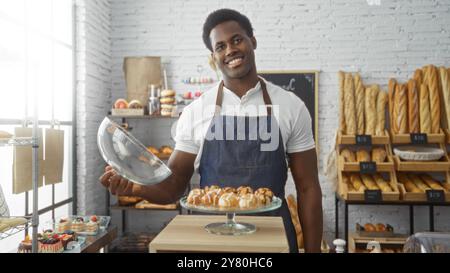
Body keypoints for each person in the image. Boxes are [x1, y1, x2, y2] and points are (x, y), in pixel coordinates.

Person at [100, 8, 323, 253]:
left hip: (272, 241)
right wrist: (133, 188)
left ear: (253, 41)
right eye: (220, 46)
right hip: (210, 241)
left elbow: (308, 188)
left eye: (237, 40)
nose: (230, 50)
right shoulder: (196, 111)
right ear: (213, 56)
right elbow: (173, 186)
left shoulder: (291, 106)